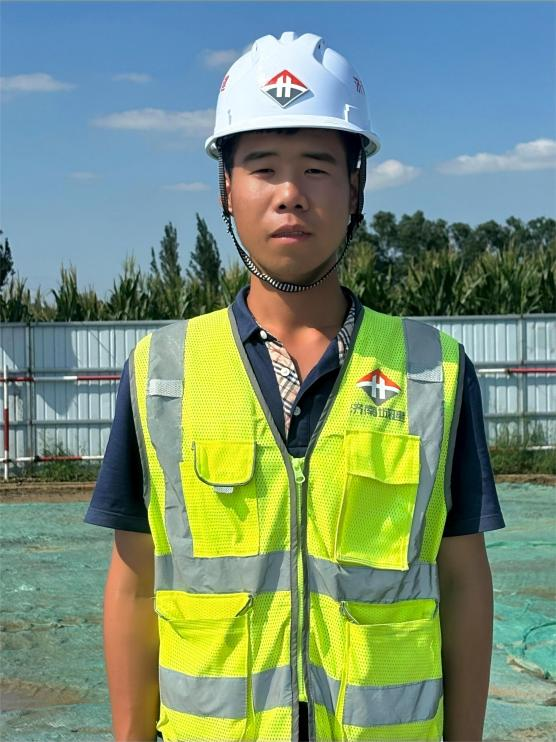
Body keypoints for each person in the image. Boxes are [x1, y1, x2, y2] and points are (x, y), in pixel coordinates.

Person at [85, 31, 505, 742]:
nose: (290, 195)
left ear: (355, 188)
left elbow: (462, 578)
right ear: (226, 188)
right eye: (263, 168)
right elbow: (133, 582)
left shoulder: (432, 372)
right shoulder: (163, 372)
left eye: (316, 168)